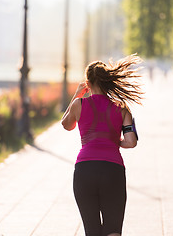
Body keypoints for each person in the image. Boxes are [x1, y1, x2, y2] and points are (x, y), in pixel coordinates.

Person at [61, 54, 144, 236]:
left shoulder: (79, 104)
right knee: (113, 230)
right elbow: (131, 142)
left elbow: (66, 125)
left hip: (84, 170)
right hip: (112, 170)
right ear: (107, 82)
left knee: (92, 231)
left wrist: (77, 95)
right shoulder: (122, 108)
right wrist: (114, 141)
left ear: (87, 83)